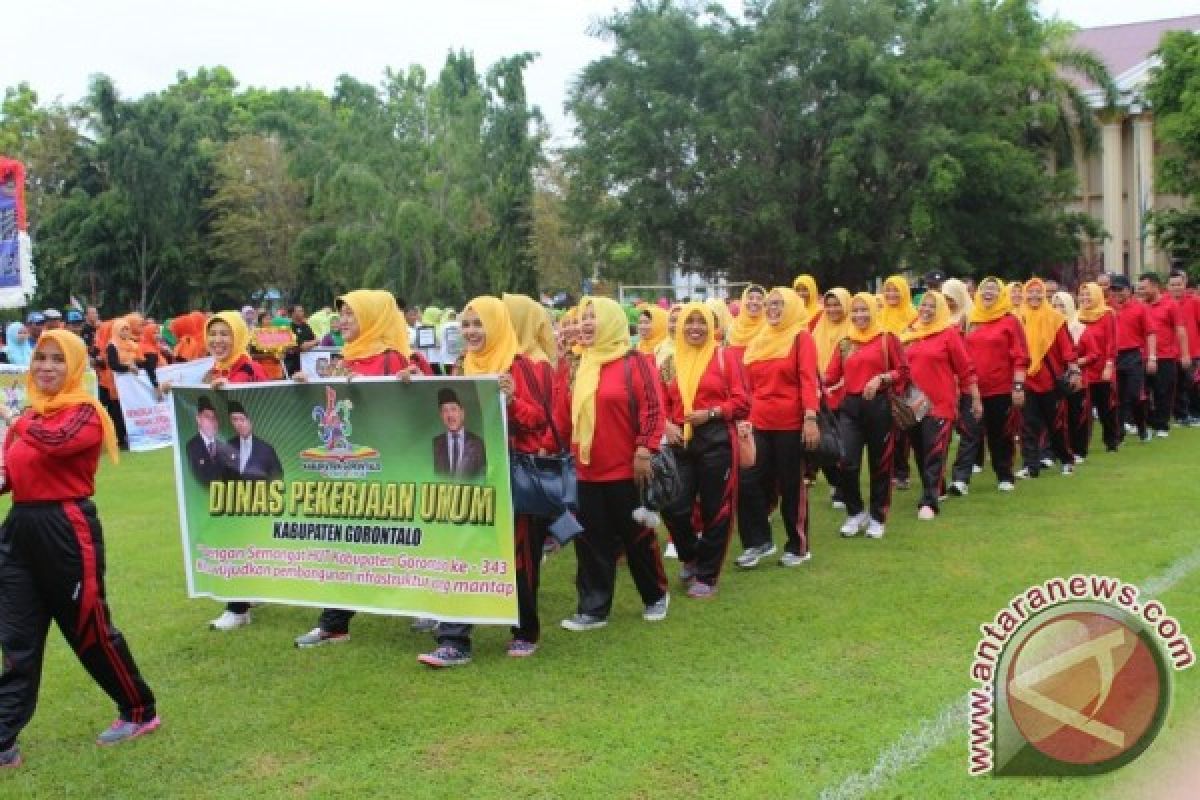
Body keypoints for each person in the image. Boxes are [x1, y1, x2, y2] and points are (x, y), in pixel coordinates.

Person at [0, 331, 159, 766]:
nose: (45, 367)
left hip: (67, 530)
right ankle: (2, 739)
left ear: (72, 366)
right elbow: (6, 478)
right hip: (19, 532)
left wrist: (15, 419)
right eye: (40, 358)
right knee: (16, 639)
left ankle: (138, 710)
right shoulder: (25, 419)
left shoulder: (84, 413)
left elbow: (55, 442)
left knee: (89, 630)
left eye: (56, 359)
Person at [419, 296, 556, 667]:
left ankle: (525, 630)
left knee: (519, 556)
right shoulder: (462, 365)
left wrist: (511, 401)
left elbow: (542, 421)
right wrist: (412, 386)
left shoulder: (522, 366)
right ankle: (453, 639)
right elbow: (443, 410)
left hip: (511, 472)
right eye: (466, 324)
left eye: (479, 324)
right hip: (467, 475)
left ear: (497, 325)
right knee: (459, 549)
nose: (471, 331)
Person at [294, 290, 432, 648]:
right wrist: (305, 391)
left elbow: (425, 408)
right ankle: (334, 623)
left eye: (351, 315)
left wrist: (413, 385)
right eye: (341, 315)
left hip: (391, 471)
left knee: (403, 539)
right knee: (342, 543)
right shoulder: (343, 360)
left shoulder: (397, 359)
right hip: (348, 475)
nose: (342, 322)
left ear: (373, 318)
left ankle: (426, 602)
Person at [555, 296, 669, 631]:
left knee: (637, 539)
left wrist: (645, 449)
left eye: (594, 317)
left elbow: (652, 409)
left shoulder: (634, 362)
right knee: (590, 541)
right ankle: (593, 609)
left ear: (612, 321)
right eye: (583, 317)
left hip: (627, 469)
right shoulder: (577, 363)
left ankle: (655, 595)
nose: (586, 323)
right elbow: (564, 415)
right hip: (585, 469)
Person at [168, 311, 271, 632]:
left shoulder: (249, 369)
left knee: (240, 532)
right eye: (212, 334)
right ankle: (243, 598)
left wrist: (231, 392)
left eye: (225, 334)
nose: (217, 341)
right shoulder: (212, 370)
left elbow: (264, 407)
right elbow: (200, 409)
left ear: (239, 335)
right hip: (225, 470)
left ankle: (238, 607)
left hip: (248, 471)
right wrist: (172, 392)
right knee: (236, 531)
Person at [659, 302, 749, 596]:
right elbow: (658, 403)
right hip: (679, 442)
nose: (695, 328)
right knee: (673, 505)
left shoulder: (724, 357)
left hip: (716, 440)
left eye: (701, 322)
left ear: (711, 327)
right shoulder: (671, 361)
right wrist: (666, 425)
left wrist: (710, 413)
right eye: (689, 322)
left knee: (716, 509)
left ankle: (707, 575)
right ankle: (691, 555)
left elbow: (741, 402)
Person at [738, 288, 821, 564]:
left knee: (791, 485)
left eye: (778, 304)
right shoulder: (760, 339)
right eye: (769, 304)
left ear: (792, 307)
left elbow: (809, 380)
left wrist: (810, 418)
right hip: (759, 421)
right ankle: (758, 541)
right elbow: (749, 384)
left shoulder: (801, 337)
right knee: (748, 479)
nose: (772, 309)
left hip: (790, 423)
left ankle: (798, 545)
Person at [825, 293, 909, 538]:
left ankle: (877, 516)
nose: (860, 315)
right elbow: (830, 375)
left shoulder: (886, 338)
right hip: (851, 407)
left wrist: (882, 378)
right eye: (856, 311)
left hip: (879, 406)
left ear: (873, 311)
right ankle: (855, 512)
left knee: (879, 464)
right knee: (846, 461)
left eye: (865, 310)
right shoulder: (845, 341)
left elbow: (903, 371)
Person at [902, 291, 979, 519]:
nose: (925, 310)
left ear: (941, 310)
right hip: (914, 404)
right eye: (923, 305)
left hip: (940, 404)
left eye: (931, 306)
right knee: (921, 452)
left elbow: (966, 369)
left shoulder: (949, 334)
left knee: (934, 452)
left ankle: (929, 501)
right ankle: (938, 486)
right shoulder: (910, 332)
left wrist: (974, 398)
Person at [952, 278, 1029, 493]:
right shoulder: (969, 319)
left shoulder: (1010, 320)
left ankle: (1004, 475)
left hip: (1001, 389)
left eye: (994, 289)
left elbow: (1020, 356)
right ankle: (961, 480)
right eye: (985, 288)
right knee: (969, 433)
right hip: (972, 388)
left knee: (1000, 435)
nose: (989, 292)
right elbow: (957, 352)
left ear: (1001, 293)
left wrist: (1018, 386)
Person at [1015, 279, 1080, 478]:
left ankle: (1066, 460)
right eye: (1030, 292)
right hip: (1027, 380)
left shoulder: (1055, 318)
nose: (1034, 296)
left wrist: (1074, 369)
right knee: (1028, 425)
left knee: (1056, 424)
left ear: (1044, 294)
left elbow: (1066, 347)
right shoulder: (1018, 318)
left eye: (1038, 292)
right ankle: (1030, 466)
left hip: (1050, 380)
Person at [1139, 272, 1190, 437]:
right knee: (1141, 393)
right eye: (1140, 288)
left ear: (1155, 286)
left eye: (1144, 288)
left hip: (1166, 356)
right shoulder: (1140, 305)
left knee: (1163, 392)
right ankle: (1149, 422)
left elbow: (1180, 330)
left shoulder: (1170, 305)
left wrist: (1185, 354)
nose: (1142, 291)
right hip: (1143, 357)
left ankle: (1161, 426)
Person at [879, 276, 918, 492]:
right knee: (886, 427)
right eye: (888, 290)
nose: (892, 295)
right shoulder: (879, 315)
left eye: (896, 291)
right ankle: (890, 470)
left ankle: (902, 472)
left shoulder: (913, 316)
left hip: (906, 377)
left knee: (904, 427)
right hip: (884, 378)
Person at [1111, 275, 1156, 443]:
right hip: (1115, 356)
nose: (1117, 293)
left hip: (1133, 355)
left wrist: (1152, 357)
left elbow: (1150, 333)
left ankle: (1142, 427)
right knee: (1118, 397)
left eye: (1120, 289)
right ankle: (1119, 432)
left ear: (1129, 290)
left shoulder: (1140, 308)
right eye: (1114, 290)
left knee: (1134, 395)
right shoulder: (1109, 308)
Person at [1076, 282, 1120, 452]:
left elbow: (1111, 341)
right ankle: (1081, 446)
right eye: (1082, 295)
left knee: (1106, 407)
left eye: (1089, 295)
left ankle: (1111, 441)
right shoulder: (1077, 316)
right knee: (1083, 410)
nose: (1085, 298)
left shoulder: (1107, 314)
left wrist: (1109, 365)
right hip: (1084, 369)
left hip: (1102, 369)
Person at [1052, 291, 1094, 460]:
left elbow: (1093, 354)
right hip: (1056, 380)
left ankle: (1079, 450)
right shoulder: (1049, 328)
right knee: (1058, 417)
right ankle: (1060, 450)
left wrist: (1075, 365)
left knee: (1077, 416)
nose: (1058, 309)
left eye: (1062, 305)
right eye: (1054, 305)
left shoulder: (1080, 328)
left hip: (1076, 380)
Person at [1167, 270, 1200, 425]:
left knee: (1191, 384)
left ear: (1185, 284)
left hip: (1192, 351)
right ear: (1168, 286)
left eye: (1179, 284)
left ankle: (1194, 413)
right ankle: (1181, 416)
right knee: (1175, 385)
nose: (1176, 288)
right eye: (1173, 285)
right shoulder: (1165, 303)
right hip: (1170, 353)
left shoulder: (1194, 302)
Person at [431, 388, 486, 478]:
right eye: (445, 411)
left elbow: (483, 477)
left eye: (453, 409)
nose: (450, 415)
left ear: (462, 413)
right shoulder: (434, 444)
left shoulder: (478, 444)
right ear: (441, 416)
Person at [184, 396, 239, 487]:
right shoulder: (192, 445)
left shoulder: (223, 446)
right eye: (207, 417)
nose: (212, 421)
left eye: (214, 418)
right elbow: (204, 477)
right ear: (198, 419)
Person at [227, 401, 283, 481]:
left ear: (250, 421)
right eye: (235, 420)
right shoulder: (228, 446)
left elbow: (278, 479)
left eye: (242, 419)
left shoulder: (266, 450)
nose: (239, 424)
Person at [284, 304, 316, 376]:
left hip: (308, 363)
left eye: (302, 311)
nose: (302, 313)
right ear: (292, 314)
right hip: (294, 364)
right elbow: (303, 346)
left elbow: (315, 339)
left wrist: (314, 342)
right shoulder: (289, 328)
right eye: (299, 311)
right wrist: (314, 342)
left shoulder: (306, 326)